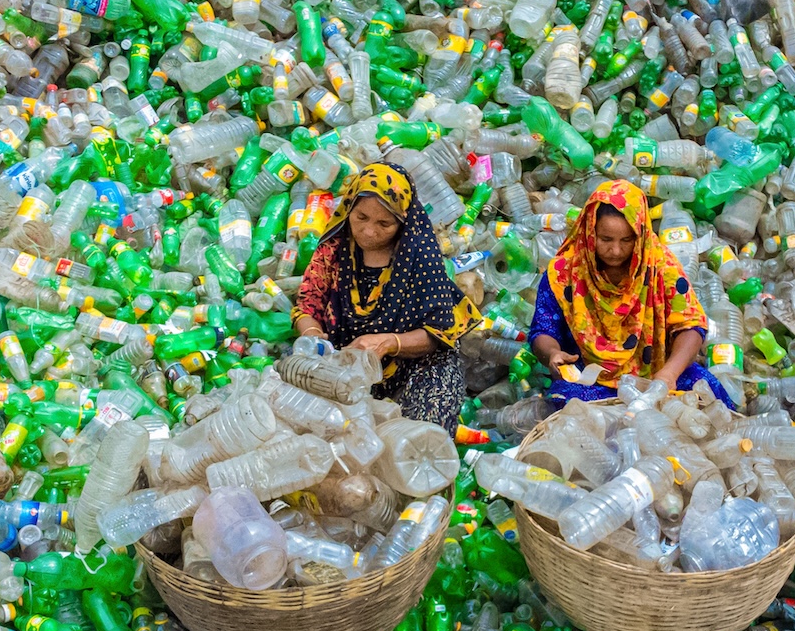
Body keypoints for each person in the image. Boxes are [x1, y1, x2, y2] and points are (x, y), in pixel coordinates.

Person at [292, 162, 482, 433]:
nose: (369, 231)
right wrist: (311, 332)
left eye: (384, 223)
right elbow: (308, 302)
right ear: (349, 209)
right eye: (361, 218)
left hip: (411, 363)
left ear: (402, 220)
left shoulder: (419, 253)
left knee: (428, 417)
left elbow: (438, 331)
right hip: (346, 363)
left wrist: (389, 342)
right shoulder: (334, 248)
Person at [529, 179, 734, 405]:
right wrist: (553, 354)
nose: (615, 251)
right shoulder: (564, 272)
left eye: (627, 240)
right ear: (589, 231)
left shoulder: (660, 267)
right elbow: (543, 329)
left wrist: (670, 374)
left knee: (709, 395)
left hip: (655, 373)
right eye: (605, 239)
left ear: (641, 235)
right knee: (568, 409)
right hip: (590, 378)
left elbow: (690, 326)